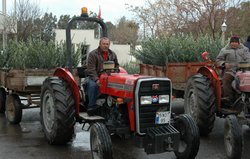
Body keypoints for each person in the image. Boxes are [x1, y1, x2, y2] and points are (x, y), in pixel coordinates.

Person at [85, 37, 119, 115]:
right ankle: (91, 107)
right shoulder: (93, 54)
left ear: (109, 45)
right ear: (100, 44)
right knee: (93, 86)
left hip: (108, 77)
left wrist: (115, 72)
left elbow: (117, 66)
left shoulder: (112, 54)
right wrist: (97, 80)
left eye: (107, 44)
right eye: (103, 44)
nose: (105, 46)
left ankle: (115, 106)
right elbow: (91, 69)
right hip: (94, 77)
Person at [216, 36, 250, 106]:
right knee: (226, 79)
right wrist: (224, 64)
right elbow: (218, 60)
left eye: (235, 42)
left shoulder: (244, 49)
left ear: (238, 43)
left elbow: (248, 59)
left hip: (243, 70)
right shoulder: (224, 50)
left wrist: (245, 65)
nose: (234, 44)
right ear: (230, 43)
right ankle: (228, 98)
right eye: (232, 42)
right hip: (230, 71)